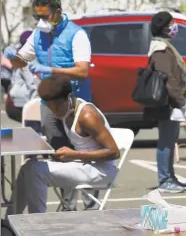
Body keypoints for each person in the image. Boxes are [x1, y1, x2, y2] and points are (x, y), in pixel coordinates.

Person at [2, 0, 96, 211]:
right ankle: (67, 205)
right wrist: (12, 57)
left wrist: (51, 70)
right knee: (61, 153)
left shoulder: (76, 34)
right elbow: (22, 60)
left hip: (74, 102)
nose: (41, 20)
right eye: (37, 16)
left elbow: (82, 71)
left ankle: (91, 207)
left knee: (84, 153)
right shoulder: (38, 34)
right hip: (49, 103)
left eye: (45, 15)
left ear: (57, 10)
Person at [6, 76, 119, 215]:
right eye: (51, 108)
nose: (56, 112)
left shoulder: (87, 116)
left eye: (58, 107)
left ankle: (35, 223)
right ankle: (10, 220)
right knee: (27, 166)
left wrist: (74, 155)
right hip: (84, 164)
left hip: (102, 171)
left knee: (35, 171)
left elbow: (113, 152)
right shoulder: (67, 110)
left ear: (68, 97)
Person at [144, 11, 186, 193]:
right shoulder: (160, 50)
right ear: (163, 28)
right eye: (172, 23)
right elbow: (168, 80)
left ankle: (170, 177)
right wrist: (181, 102)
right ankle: (165, 180)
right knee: (166, 141)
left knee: (170, 140)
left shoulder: (164, 46)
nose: (174, 26)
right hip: (168, 104)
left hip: (171, 103)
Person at [6, 30, 40, 122]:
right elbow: (32, 85)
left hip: (16, 101)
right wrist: (36, 106)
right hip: (23, 103)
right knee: (31, 132)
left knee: (23, 132)